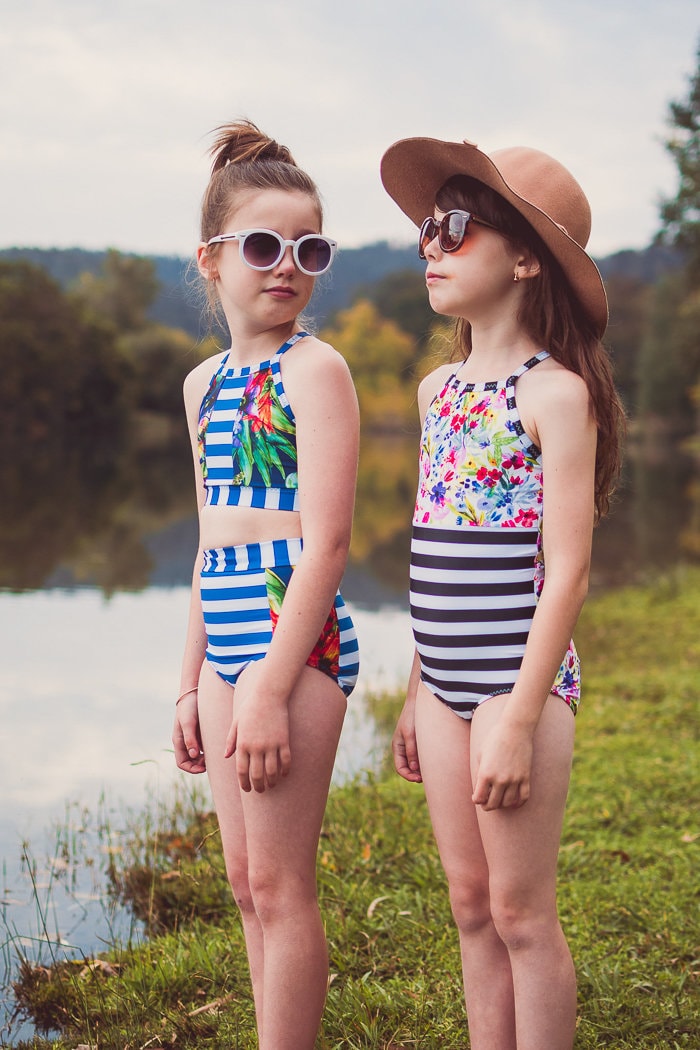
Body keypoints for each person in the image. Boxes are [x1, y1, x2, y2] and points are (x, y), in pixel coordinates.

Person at [380, 136, 625, 1050]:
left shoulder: (554, 394)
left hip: (516, 684)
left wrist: (520, 714)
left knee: (523, 915)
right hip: (442, 686)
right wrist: (415, 689)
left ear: (525, 257)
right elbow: (429, 551)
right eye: (427, 231)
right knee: (471, 907)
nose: (430, 247)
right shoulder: (436, 391)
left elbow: (568, 570)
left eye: (454, 227)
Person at [172, 120, 360, 1050]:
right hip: (225, 642)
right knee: (245, 882)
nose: (285, 266)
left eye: (308, 249)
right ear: (211, 259)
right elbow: (208, 545)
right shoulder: (203, 385)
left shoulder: (316, 369)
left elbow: (326, 546)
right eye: (261, 245)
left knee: (284, 885)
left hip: (297, 640)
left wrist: (271, 688)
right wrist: (190, 678)